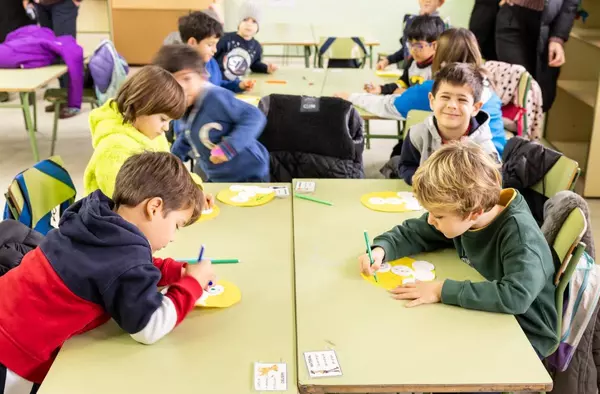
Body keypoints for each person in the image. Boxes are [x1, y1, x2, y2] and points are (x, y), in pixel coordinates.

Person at [0, 151, 216, 392]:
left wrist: (174, 270)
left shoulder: (95, 220)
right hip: (12, 353)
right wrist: (192, 285)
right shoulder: (125, 259)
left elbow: (113, 266)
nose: (174, 237)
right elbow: (149, 326)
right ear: (154, 207)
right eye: (176, 225)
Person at [360, 142, 558, 367]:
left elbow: (516, 296)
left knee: (441, 364)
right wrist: (382, 249)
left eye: (439, 216)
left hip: (525, 332)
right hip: (487, 312)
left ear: (475, 213)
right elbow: (417, 231)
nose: (432, 220)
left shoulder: (521, 238)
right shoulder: (464, 214)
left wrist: (440, 289)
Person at [335, 28, 506, 156]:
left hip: (465, 162)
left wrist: (351, 97)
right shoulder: (486, 83)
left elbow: (387, 105)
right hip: (496, 158)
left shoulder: (437, 90)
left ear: (439, 53)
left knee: (399, 156)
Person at [83, 65, 213, 206]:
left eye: (170, 122)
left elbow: (171, 174)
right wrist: (183, 203)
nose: (166, 127)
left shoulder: (151, 134)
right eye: (163, 119)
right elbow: (131, 207)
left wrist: (194, 191)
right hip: (113, 225)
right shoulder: (112, 149)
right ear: (140, 105)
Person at [153, 44, 270, 183]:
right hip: (218, 177)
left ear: (202, 76)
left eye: (186, 79)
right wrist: (172, 159)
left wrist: (227, 148)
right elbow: (187, 136)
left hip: (250, 173)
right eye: (172, 82)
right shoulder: (183, 107)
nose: (181, 87)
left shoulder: (216, 97)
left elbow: (254, 117)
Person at [398, 63, 499, 185]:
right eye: (445, 97)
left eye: (462, 100)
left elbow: (494, 183)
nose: (452, 105)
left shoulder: (483, 147)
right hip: (425, 199)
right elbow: (407, 166)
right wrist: (418, 180)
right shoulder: (417, 134)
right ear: (432, 101)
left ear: (475, 108)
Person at [471, 0, 579, 111]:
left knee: (542, 98)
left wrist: (558, 37)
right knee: (517, 85)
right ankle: (497, 125)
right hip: (512, 17)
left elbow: (570, 4)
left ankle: (521, 126)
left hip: (546, 26)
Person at [164, 11, 255, 93]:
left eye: (216, 44)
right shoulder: (181, 72)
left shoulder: (211, 63)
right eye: (210, 45)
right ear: (192, 42)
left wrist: (239, 85)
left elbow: (218, 85)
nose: (215, 50)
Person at [365, 14, 445, 95]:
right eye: (410, 44)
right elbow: (402, 83)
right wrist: (380, 89)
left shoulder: (440, 67)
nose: (413, 50)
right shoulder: (412, 62)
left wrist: (408, 93)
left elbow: (436, 96)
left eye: (418, 45)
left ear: (435, 46)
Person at [34, 0, 82, 118]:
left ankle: (73, 104)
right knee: (53, 52)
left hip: (64, 4)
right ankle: (62, 98)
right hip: (42, 5)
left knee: (67, 52)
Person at [214, 1, 277, 83]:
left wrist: (266, 68)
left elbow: (253, 64)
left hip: (237, 84)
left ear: (258, 27)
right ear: (239, 23)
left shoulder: (257, 47)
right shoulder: (225, 39)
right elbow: (211, 57)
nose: (249, 24)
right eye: (245, 20)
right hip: (219, 81)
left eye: (254, 21)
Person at [377, 0, 446, 70]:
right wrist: (388, 60)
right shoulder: (410, 22)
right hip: (409, 73)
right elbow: (405, 49)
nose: (427, 0)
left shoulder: (440, 26)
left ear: (440, 2)